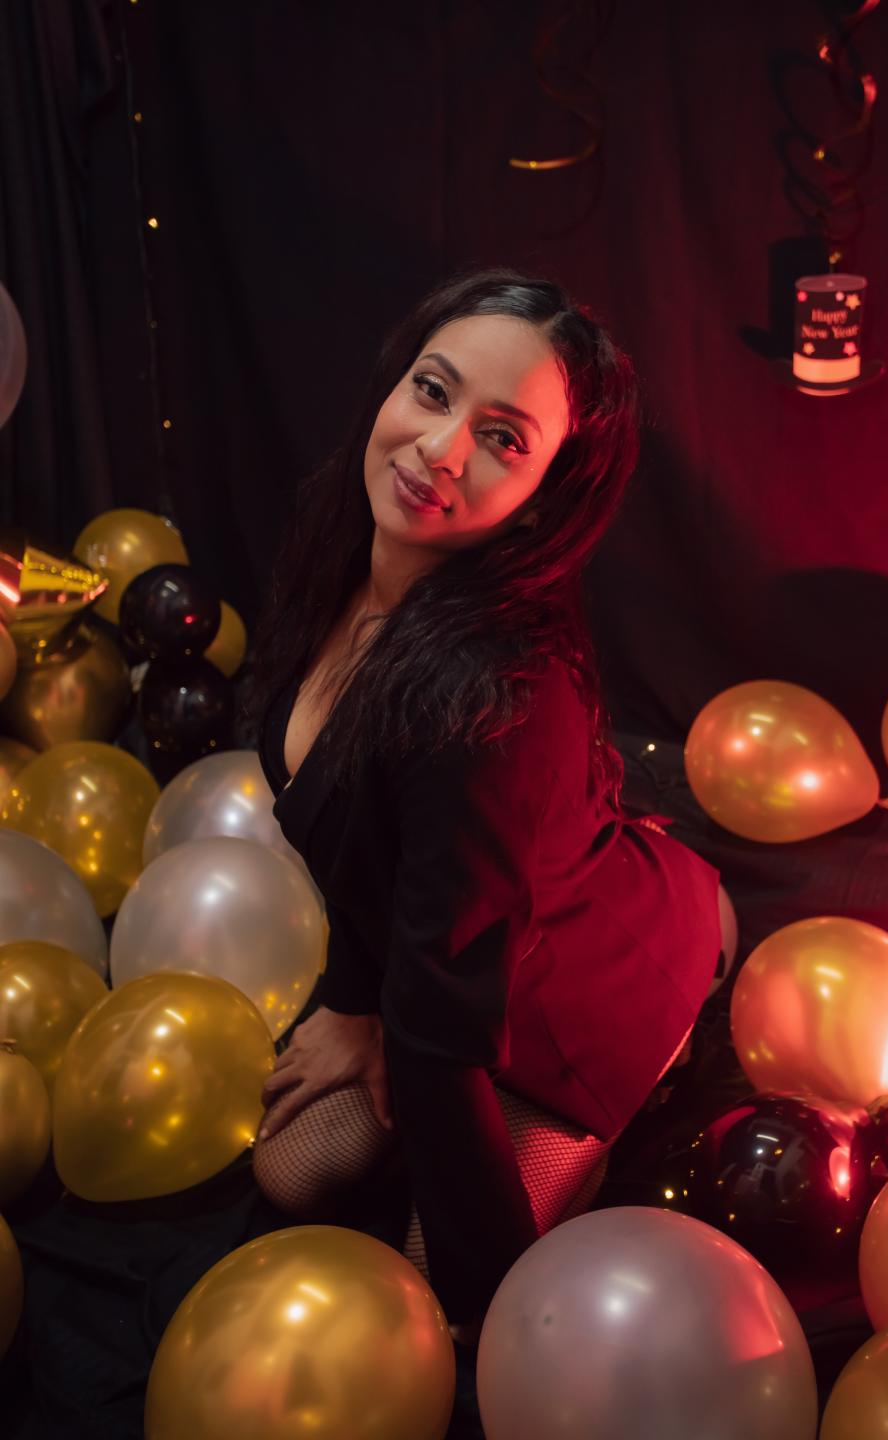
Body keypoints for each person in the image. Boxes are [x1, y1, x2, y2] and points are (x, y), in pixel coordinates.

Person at [246, 266, 722, 1344]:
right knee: (293, 1171)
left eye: (503, 439)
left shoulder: (491, 704)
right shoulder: (339, 555)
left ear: (545, 494)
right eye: (433, 390)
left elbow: (447, 1023)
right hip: (450, 956)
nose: (439, 449)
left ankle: (682, 999)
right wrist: (353, 1000)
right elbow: (358, 847)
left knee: (451, 1294)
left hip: (565, 998)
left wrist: (491, 1315)